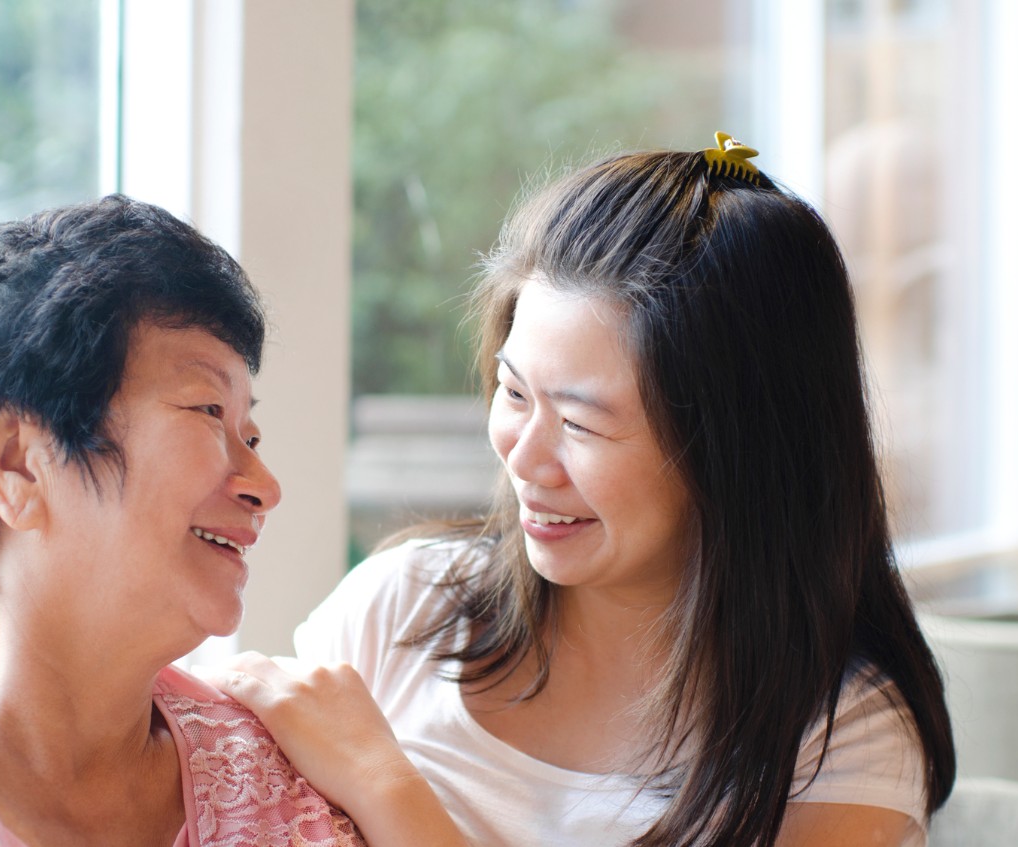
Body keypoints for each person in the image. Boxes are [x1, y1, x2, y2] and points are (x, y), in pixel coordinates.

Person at [209, 136, 957, 847]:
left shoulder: (841, 733)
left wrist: (384, 783)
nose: (525, 457)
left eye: (580, 423)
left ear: (737, 452)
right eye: (513, 391)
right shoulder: (398, 610)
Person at [0, 196, 367, 847]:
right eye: (207, 410)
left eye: (251, 437)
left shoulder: (278, 786)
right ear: (17, 463)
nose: (264, 487)